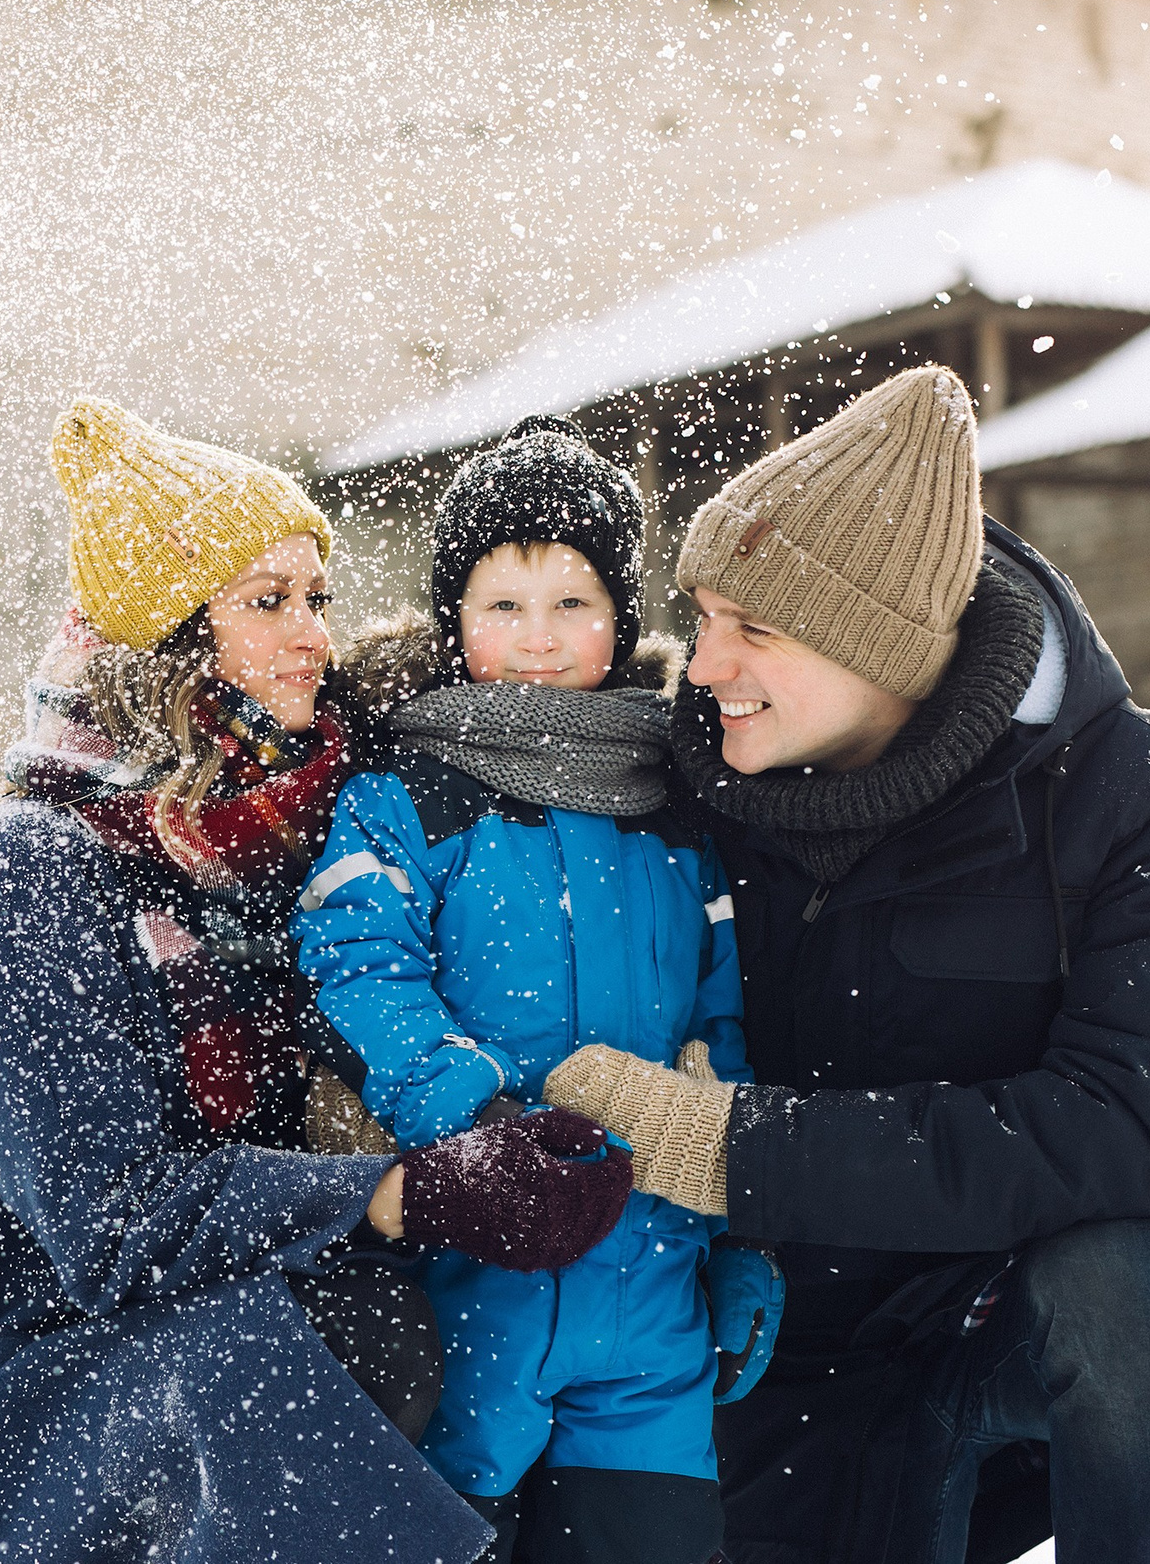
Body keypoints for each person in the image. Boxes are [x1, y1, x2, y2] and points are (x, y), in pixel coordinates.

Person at [0, 397, 635, 1564]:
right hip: (20, 1381)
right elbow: (108, 1230)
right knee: (342, 1335)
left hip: (195, 1327)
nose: (312, 633)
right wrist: (395, 1194)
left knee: (450, 1338)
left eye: (315, 597)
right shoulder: (38, 869)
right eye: (265, 603)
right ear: (167, 641)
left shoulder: (275, 837)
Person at [541, 366, 1150, 1564]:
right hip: (762, 1345)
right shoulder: (671, 781)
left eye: (752, 629)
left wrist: (731, 1146)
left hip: (996, 1312)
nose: (701, 666)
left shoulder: (1130, 794)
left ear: (886, 651)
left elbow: (1139, 1128)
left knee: (1137, 1265)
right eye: (703, 615)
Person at [294, 423, 783, 1564]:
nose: (537, 640)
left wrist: (746, 1230)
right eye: (500, 605)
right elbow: (360, 963)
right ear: (452, 618)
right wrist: (463, 1115)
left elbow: (728, 1026)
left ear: (621, 618)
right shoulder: (403, 791)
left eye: (572, 603)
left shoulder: (676, 801)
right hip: (468, 1282)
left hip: (653, 1302)